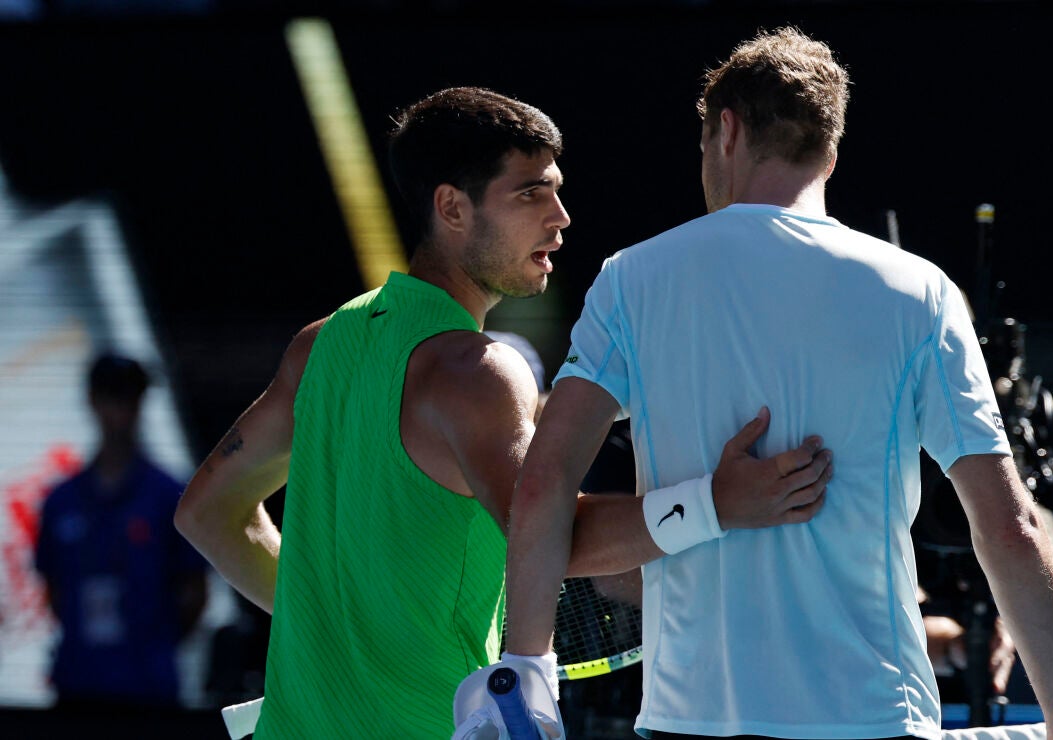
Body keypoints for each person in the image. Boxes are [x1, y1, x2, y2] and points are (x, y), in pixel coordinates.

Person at [174, 86, 832, 738]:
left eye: (556, 189)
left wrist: (322, 625)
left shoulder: (321, 345)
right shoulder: (479, 372)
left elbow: (207, 512)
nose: (561, 215)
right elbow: (552, 534)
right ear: (452, 208)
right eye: (530, 193)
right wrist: (718, 503)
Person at [501, 26, 1053, 740]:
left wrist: (525, 676)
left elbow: (542, 486)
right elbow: (1009, 528)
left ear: (726, 130)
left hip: (692, 720)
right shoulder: (921, 291)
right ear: (830, 154)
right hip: (875, 717)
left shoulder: (632, 279)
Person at [35, 351, 208, 711]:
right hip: (79, 685)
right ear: (93, 400)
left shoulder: (168, 496)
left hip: (149, 690)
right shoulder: (61, 501)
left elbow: (194, 592)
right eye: (113, 395)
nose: (122, 410)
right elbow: (53, 593)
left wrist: (153, 643)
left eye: (131, 396)